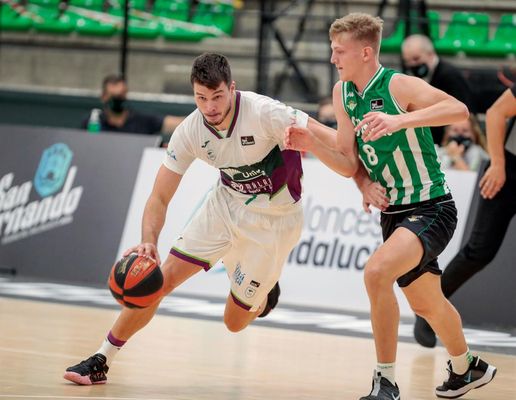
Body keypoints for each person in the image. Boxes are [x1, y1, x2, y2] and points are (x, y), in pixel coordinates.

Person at [64, 53, 355, 385]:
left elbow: (337, 141)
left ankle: (262, 295)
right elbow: (159, 197)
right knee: (159, 281)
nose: (210, 107)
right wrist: (148, 241)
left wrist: (360, 167)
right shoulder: (191, 130)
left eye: (217, 96)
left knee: (234, 322)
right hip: (225, 206)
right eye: (201, 98)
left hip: (274, 223)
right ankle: (101, 358)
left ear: (231, 88)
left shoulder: (266, 113)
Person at [284, 13, 496, 400]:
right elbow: (348, 160)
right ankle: (466, 367)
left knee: (377, 273)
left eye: (339, 51)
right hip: (394, 212)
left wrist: (401, 120)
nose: (333, 58)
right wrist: (317, 147)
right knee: (426, 302)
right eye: (332, 50)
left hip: (431, 205)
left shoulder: (398, 85)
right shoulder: (342, 93)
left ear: (365, 53)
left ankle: (385, 382)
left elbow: (459, 110)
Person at [414, 84, 516, 348]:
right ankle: (428, 310)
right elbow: (496, 113)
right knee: (480, 251)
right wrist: (498, 164)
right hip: (508, 170)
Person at [402, 34, 475, 145]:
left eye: (416, 59)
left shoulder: (450, 76)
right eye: (408, 61)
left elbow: (463, 112)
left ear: (430, 54)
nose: (412, 65)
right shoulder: (414, 78)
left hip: (450, 141)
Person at [81, 74, 183, 136]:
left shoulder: (141, 120)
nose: (118, 100)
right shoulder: (93, 122)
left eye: (121, 95)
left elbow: (174, 123)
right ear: (103, 97)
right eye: (114, 96)